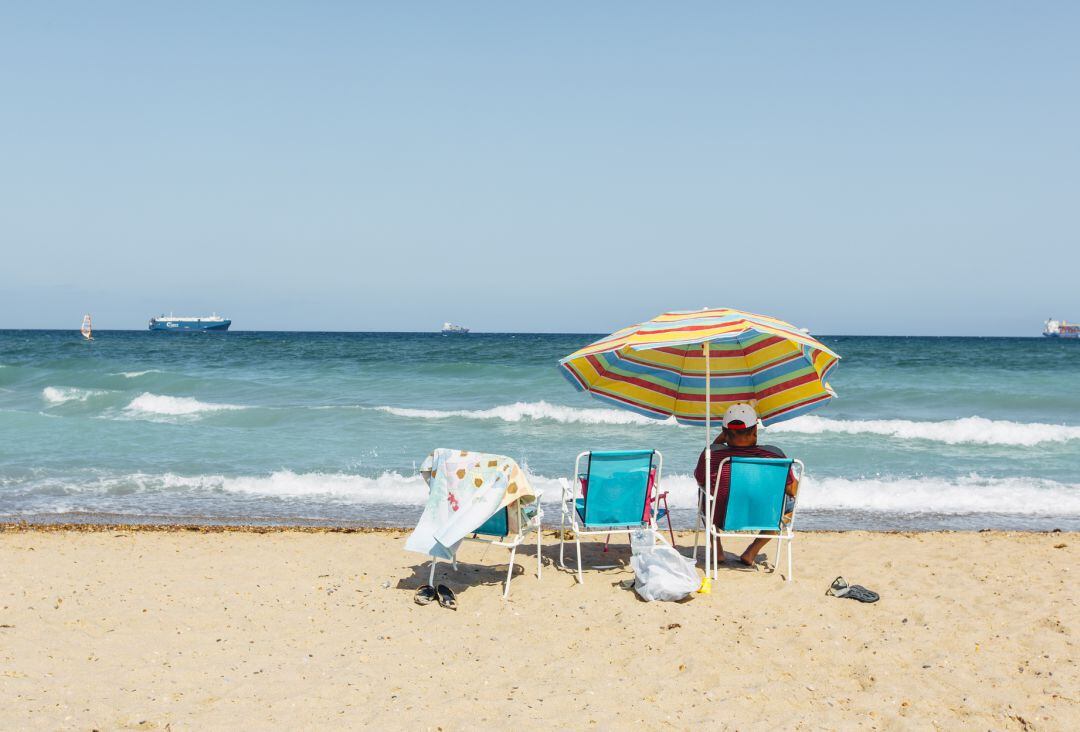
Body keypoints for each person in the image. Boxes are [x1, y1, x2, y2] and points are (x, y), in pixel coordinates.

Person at [693, 403, 799, 567]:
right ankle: (752, 551)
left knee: (703, 495)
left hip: (722, 516)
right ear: (755, 431)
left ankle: (717, 547)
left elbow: (700, 480)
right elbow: (792, 490)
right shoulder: (774, 455)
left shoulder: (712, 455)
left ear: (724, 432)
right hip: (764, 516)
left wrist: (720, 440)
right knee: (791, 504)